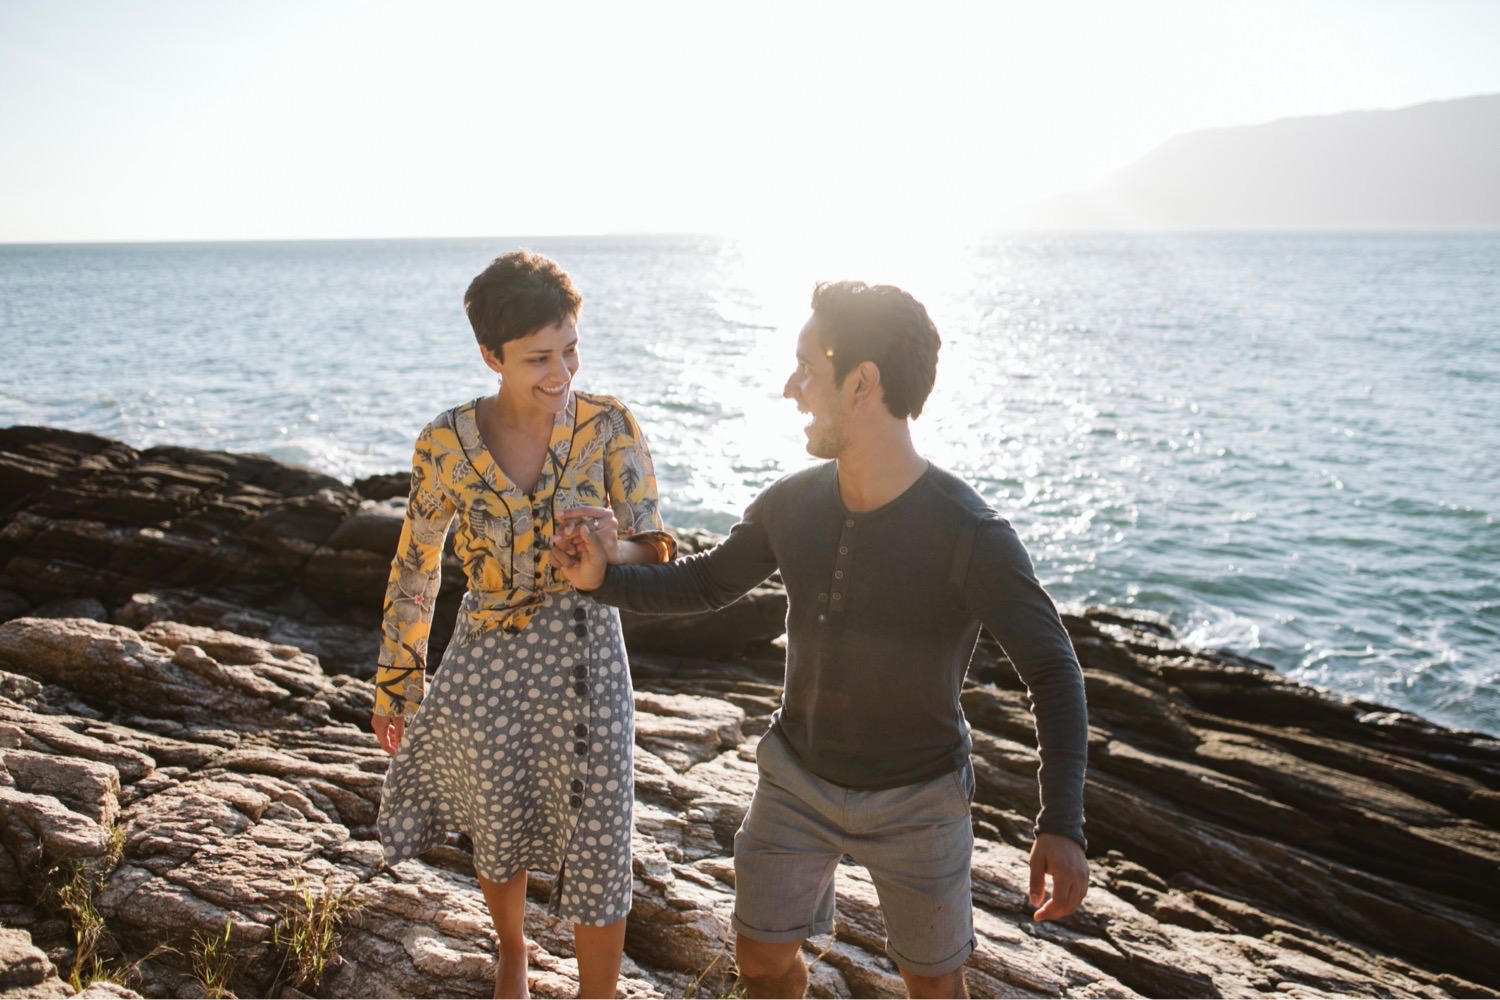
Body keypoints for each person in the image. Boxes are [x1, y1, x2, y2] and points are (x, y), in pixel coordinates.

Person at [552, 280, 1089, 999]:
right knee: (761, 960)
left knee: (934, 985)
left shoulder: (971, 534)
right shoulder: (792, 505)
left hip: (922, 798)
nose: (790, 387)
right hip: (796, 780)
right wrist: (599, 579)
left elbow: (1054, 671)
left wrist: (1061, 823)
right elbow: (707, 583)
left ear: (863, 383)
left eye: (807, 367)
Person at [370, 250, 676, 1000]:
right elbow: (418, 562)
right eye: (538, 357)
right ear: (490, 356)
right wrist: (397, 682)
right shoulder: (444, 444)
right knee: (496, 812)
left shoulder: (610, 426)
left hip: (587, 654)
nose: (561, 371)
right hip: (489, 652)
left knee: (601, 832)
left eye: (570, 348)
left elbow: (658, 549)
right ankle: (512, 954)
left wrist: (611, 548)